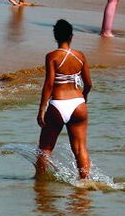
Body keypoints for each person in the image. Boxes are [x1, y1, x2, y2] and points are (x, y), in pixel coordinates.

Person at [37, 20, 92, 180]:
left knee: (45, 149)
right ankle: (84, 182)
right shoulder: (80, 56)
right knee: (80, 148)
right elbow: (88, 84)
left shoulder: (52, 56)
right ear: (71, 36)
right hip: (78, 104)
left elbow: (49, 84)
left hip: (58, 105)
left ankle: (39, 184)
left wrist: (42, 109)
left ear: (55, 36)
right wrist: (84, 97)